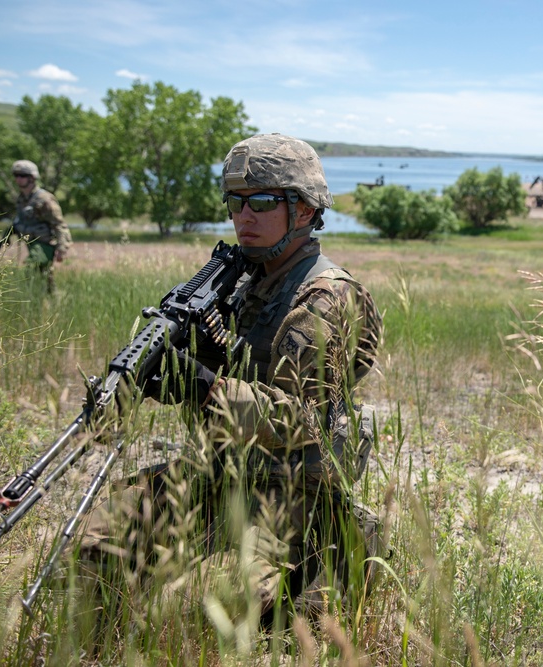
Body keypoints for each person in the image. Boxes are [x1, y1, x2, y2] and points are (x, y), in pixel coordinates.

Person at [79, 134, 383, 629]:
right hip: (220, 472)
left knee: (218, 609)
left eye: (262, 202)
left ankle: (333, 559)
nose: (244, 216)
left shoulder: (326, 299)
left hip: (293, 494)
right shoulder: (245, 281)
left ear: (304, 211)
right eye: (235, 202)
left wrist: (203, 386)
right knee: (99, 546)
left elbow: (303, 422)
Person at [9, 159, 72, 293]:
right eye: (16, 175)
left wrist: (62, 248)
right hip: (31, 243)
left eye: (22, 175)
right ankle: (52, 301)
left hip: (45, 244)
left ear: (32, 178)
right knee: (44, 276)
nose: (18, 179)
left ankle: (33, 302)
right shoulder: (21, 199)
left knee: (31, 271)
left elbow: (59, 224)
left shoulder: (44, 199)